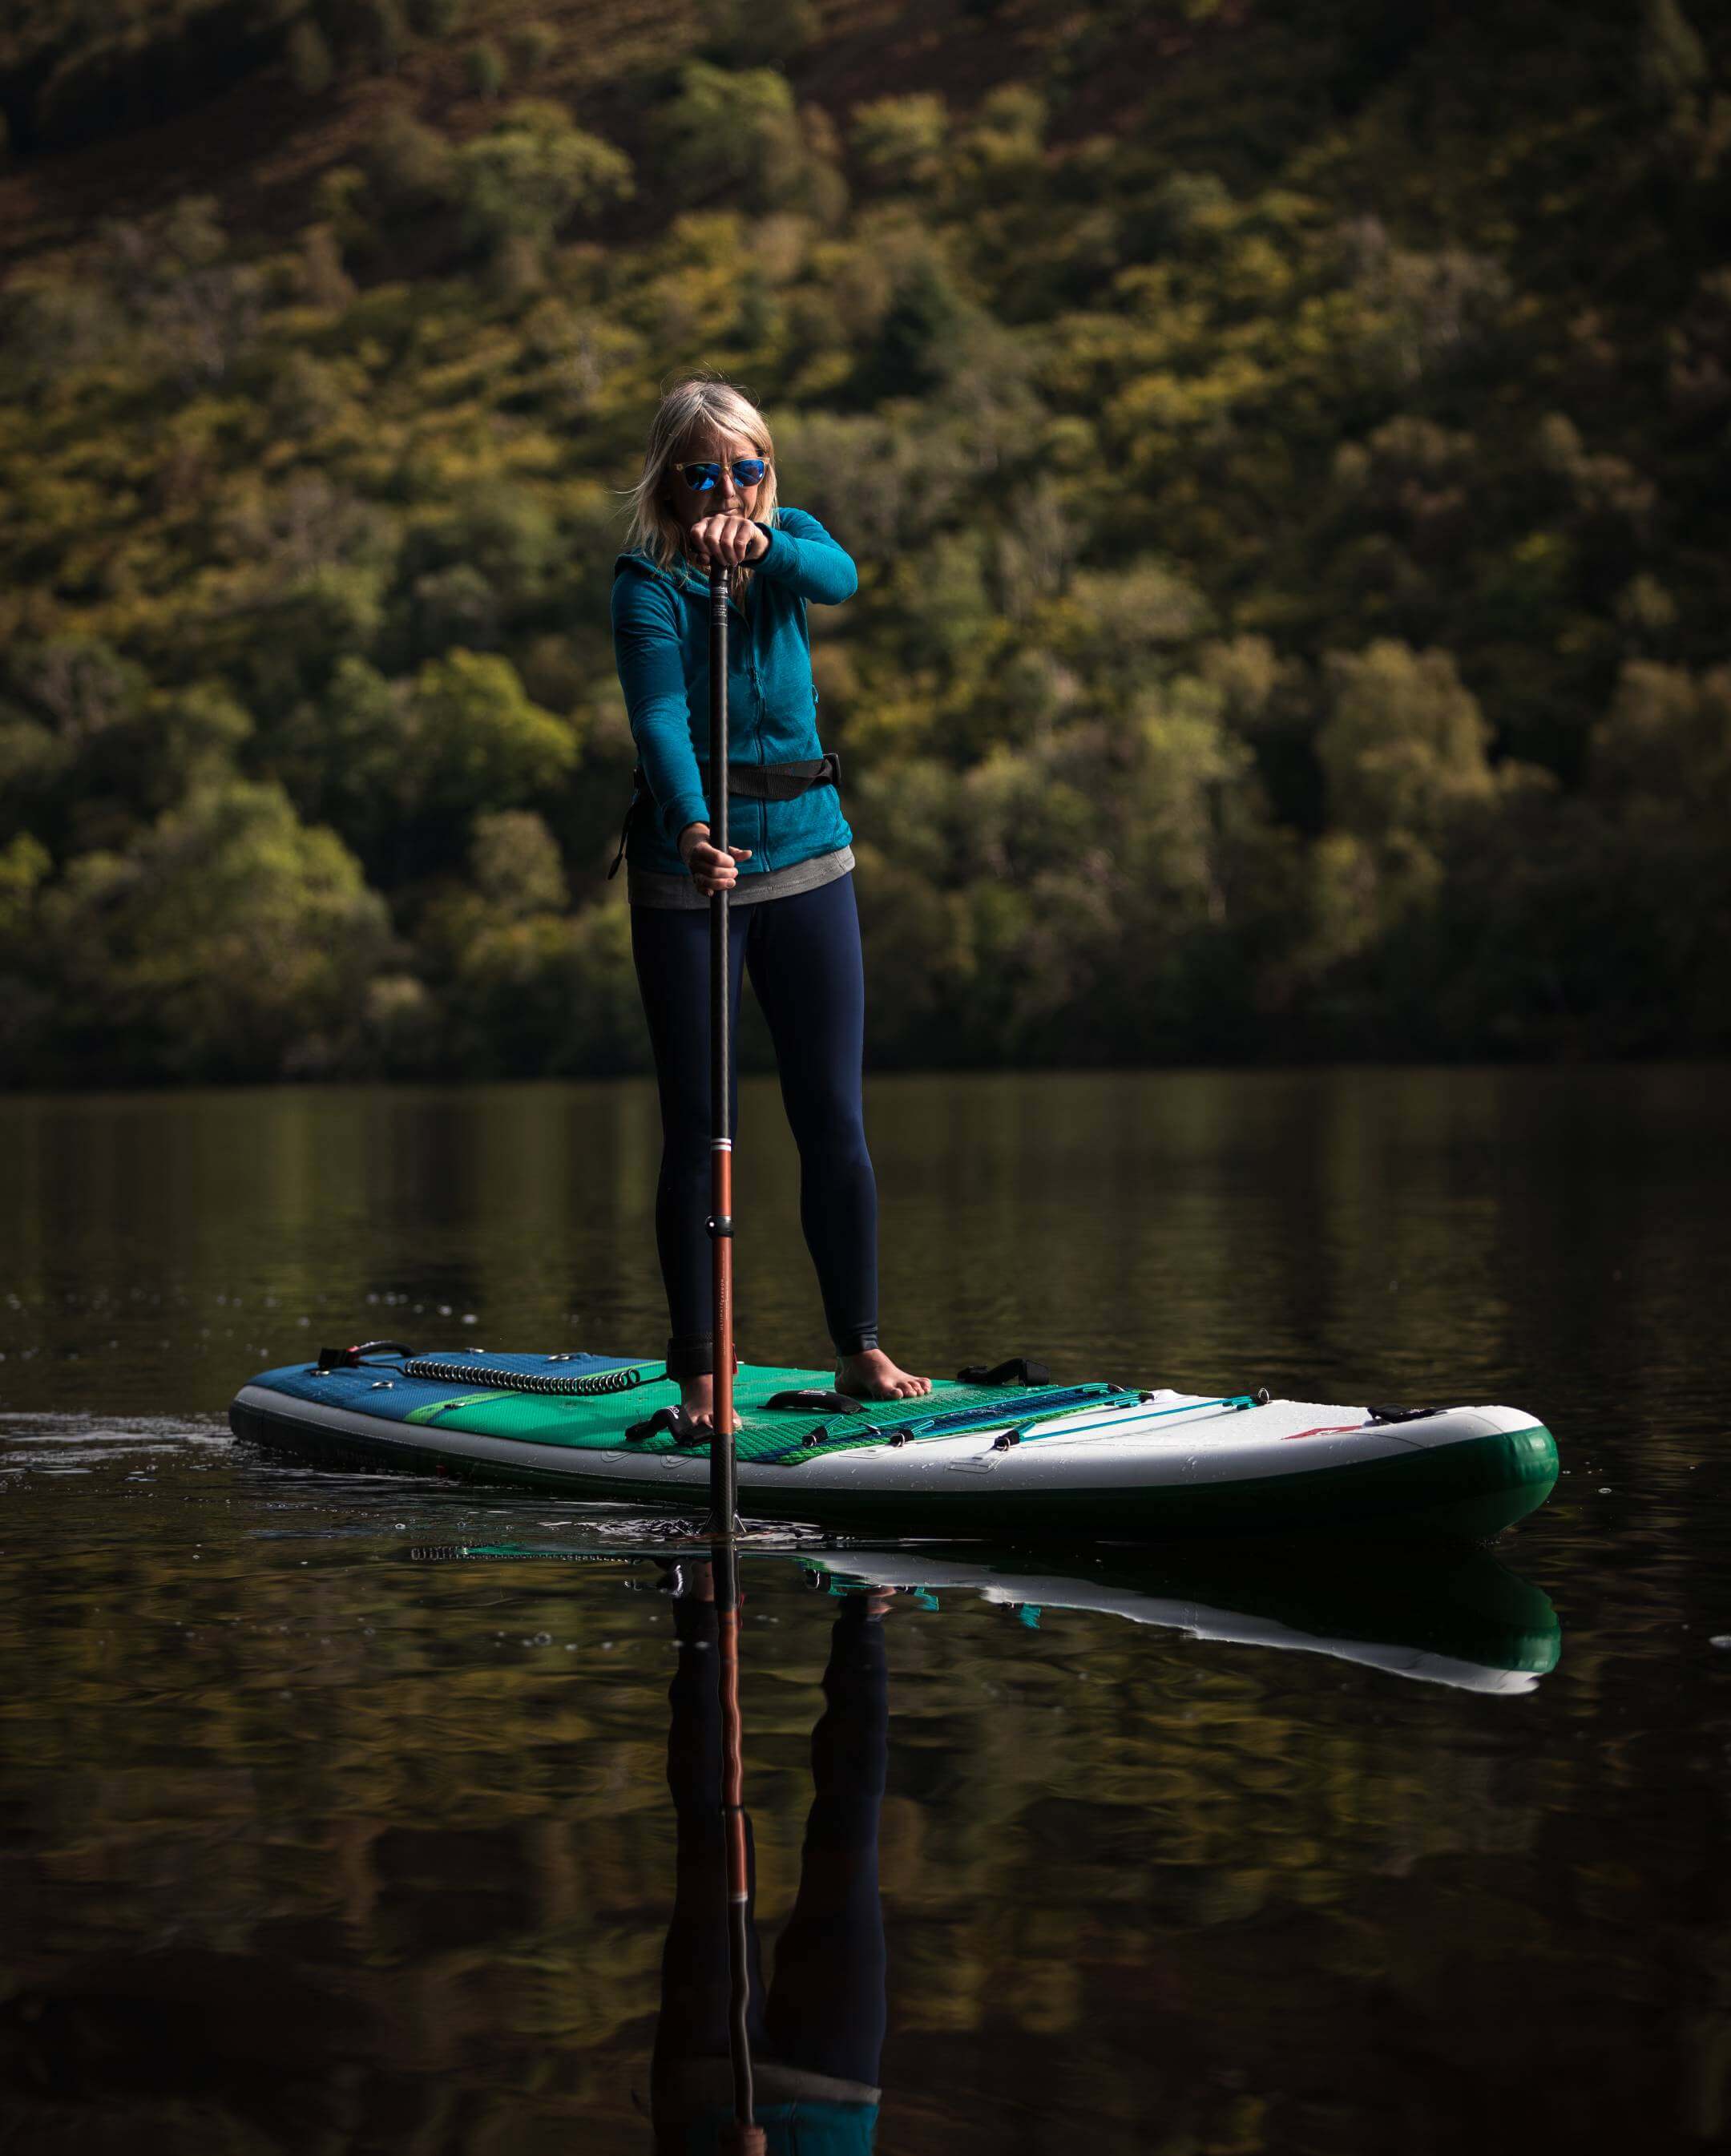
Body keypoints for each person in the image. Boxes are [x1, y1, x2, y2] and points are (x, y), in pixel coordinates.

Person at [611, 377, 930, 1432]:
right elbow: (661, 714)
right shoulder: (646, 584)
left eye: (748, 468)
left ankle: (860, 1348)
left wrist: (764, 548)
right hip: (693, 874)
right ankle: (702, 1373)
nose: (732, 489)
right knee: (702, 1129)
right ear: (671, 483)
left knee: (832, 1116)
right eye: (707, 473)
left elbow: (840, 577)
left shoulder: (789, 544)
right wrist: (696, 828)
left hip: (810, 861)